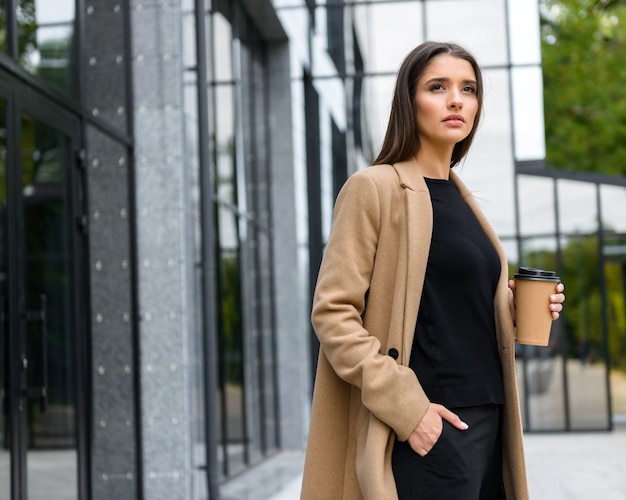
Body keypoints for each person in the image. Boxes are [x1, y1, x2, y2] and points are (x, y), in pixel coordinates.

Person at [300, 41, 566, 500]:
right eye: (438, 87)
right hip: (429, 425)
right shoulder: (375, 188)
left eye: (469, 89)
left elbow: (454, 310)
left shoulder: (464, 203)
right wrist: (409, 409)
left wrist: (520, 310)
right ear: (409, 100)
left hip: (490, 419)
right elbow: (333, 314)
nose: (456, 100)